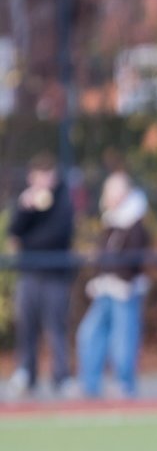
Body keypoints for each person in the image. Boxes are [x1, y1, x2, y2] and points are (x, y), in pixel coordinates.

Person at [76, 172, 151, 399]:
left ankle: (124, 384)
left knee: (123, 340)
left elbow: (133, 260)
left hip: (125, 292)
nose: (108, 195)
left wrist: (118, 279)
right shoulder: (110, 221)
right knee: (89, 334)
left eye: (113, 190)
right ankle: (90, 385)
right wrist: (98, 278)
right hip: (105, 289)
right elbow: (103, 255)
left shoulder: (135, 224)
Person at [6, 152, 75, 398]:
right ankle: (26, 373)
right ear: (31, 177)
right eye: (39, 176)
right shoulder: (26, 201)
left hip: (54, 275)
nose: (44, 181)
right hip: (29, 274)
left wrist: (27, 242)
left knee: (56, 327)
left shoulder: (63, 200)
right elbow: (13, 231)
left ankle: (61, 377)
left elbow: (56, 236)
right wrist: (27, 209)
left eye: (48, 176)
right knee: (27, 327)